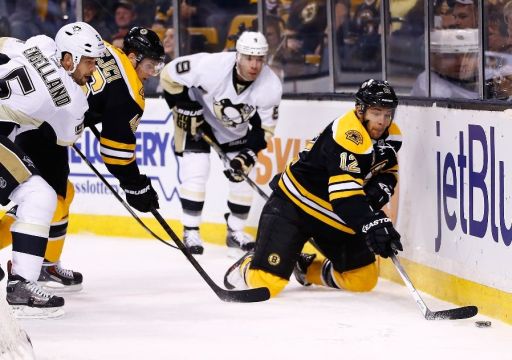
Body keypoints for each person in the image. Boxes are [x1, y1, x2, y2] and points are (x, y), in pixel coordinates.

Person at [0, 26, 164, 293]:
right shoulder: (131, 94)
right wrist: (136, 186)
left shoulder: (104, 47)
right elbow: (116, 154)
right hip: (42, 128)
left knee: (62, 194)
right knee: (44, 199)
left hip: (36, 121)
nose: (151, 74)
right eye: (149, 66)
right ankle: (35, 267)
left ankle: (46, 263)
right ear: (133, 57)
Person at [224, 79, 403, 298]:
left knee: (362, 279)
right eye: (376, 112)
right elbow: (345, 198)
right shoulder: (348, 135)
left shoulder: (392, 135)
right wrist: (372, 222)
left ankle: (305, 269)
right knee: (267, 284)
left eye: (387, 114)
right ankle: (249, 265)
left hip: (333, 217)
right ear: (360, 110)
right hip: (294, 207)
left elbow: (388, 170)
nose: (382, 121)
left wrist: (380, 189)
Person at [0, 21, 105, 317]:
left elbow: (3, 43)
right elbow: (65, 138)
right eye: (88, 62)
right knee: (39, 196)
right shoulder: (73, 100)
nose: (92, 70)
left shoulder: (38, 43)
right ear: (69, 59)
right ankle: (21, 286)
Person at [160, 31, 282, 255]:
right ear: (238, 56)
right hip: (197, 121)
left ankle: (235, 232)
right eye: (248, 58)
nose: (254, 65)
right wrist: (181, 105)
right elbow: (168, 75)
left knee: (242, 176)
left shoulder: (271, 86)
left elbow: (264, 130)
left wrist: (249, 154)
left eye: (259, 59)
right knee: (196, 170)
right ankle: (191, 231)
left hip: (233, 130)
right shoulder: (211, 66)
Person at [410, 28, 479, 98]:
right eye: (450, 56)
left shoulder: (486, 76)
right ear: (433, 59)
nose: (461, 63)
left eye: (469, 56)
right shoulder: (429, 84)